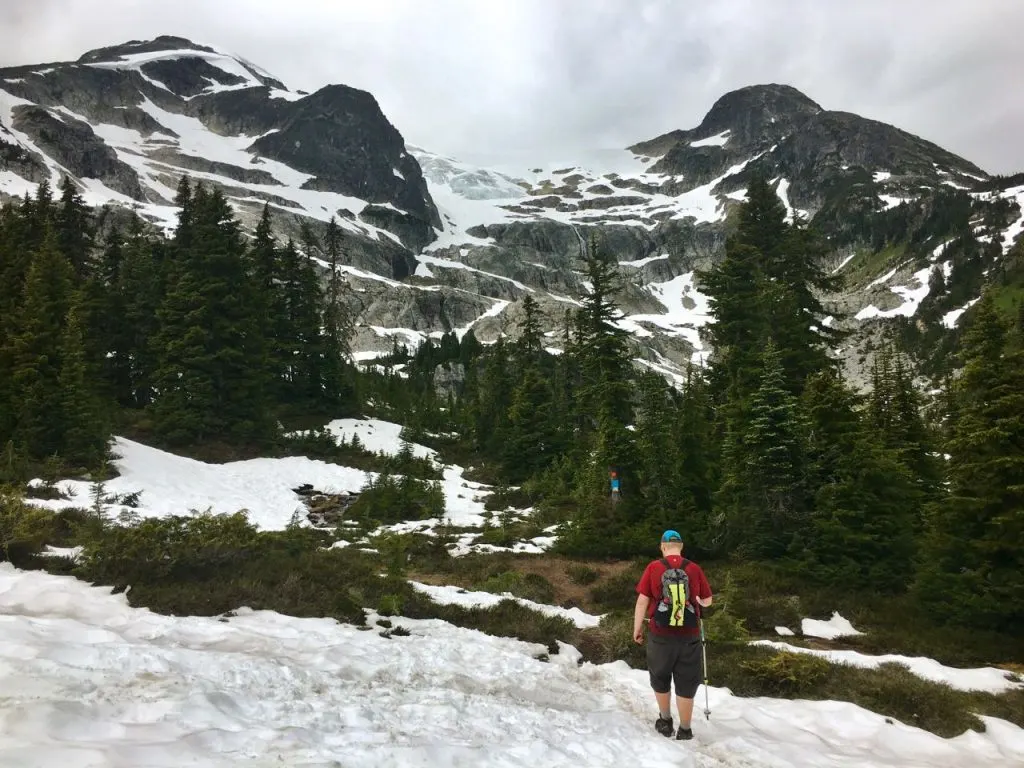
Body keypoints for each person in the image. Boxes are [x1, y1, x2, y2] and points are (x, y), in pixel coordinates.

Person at [632, 529, 712, 740]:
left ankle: (665, 721)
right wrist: (697, 601)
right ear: (681, 546)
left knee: (660, 677)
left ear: (663, 546)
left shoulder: (654, 567)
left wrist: (637, 629)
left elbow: (642, 601)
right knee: (686, 682)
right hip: (689, 636)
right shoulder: (694, 568)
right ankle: (685, 729)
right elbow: (707, 600)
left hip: (660, 635)